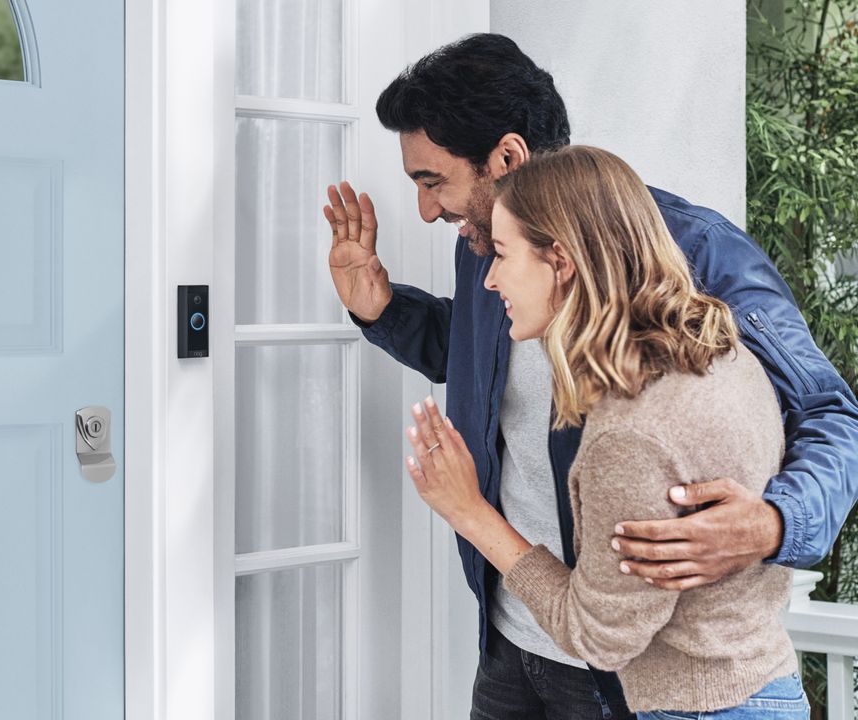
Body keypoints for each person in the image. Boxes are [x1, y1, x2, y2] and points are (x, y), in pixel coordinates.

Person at [324, 34, 858, 718]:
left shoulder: (693, 252)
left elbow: (828, 413)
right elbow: (486, 360)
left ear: (507, 158)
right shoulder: (485, 244)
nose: (428, 210)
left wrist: (777, 523)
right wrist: (381, 307)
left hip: (633, 677)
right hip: (514, 646)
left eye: (434, 181)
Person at [406, 144, 806, 717]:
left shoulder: (631, 432)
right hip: (760, 689)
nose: (490, 281)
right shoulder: (713, 349)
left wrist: (467, 510)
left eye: (501, 254)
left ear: (562, 261)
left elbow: (601, 637)